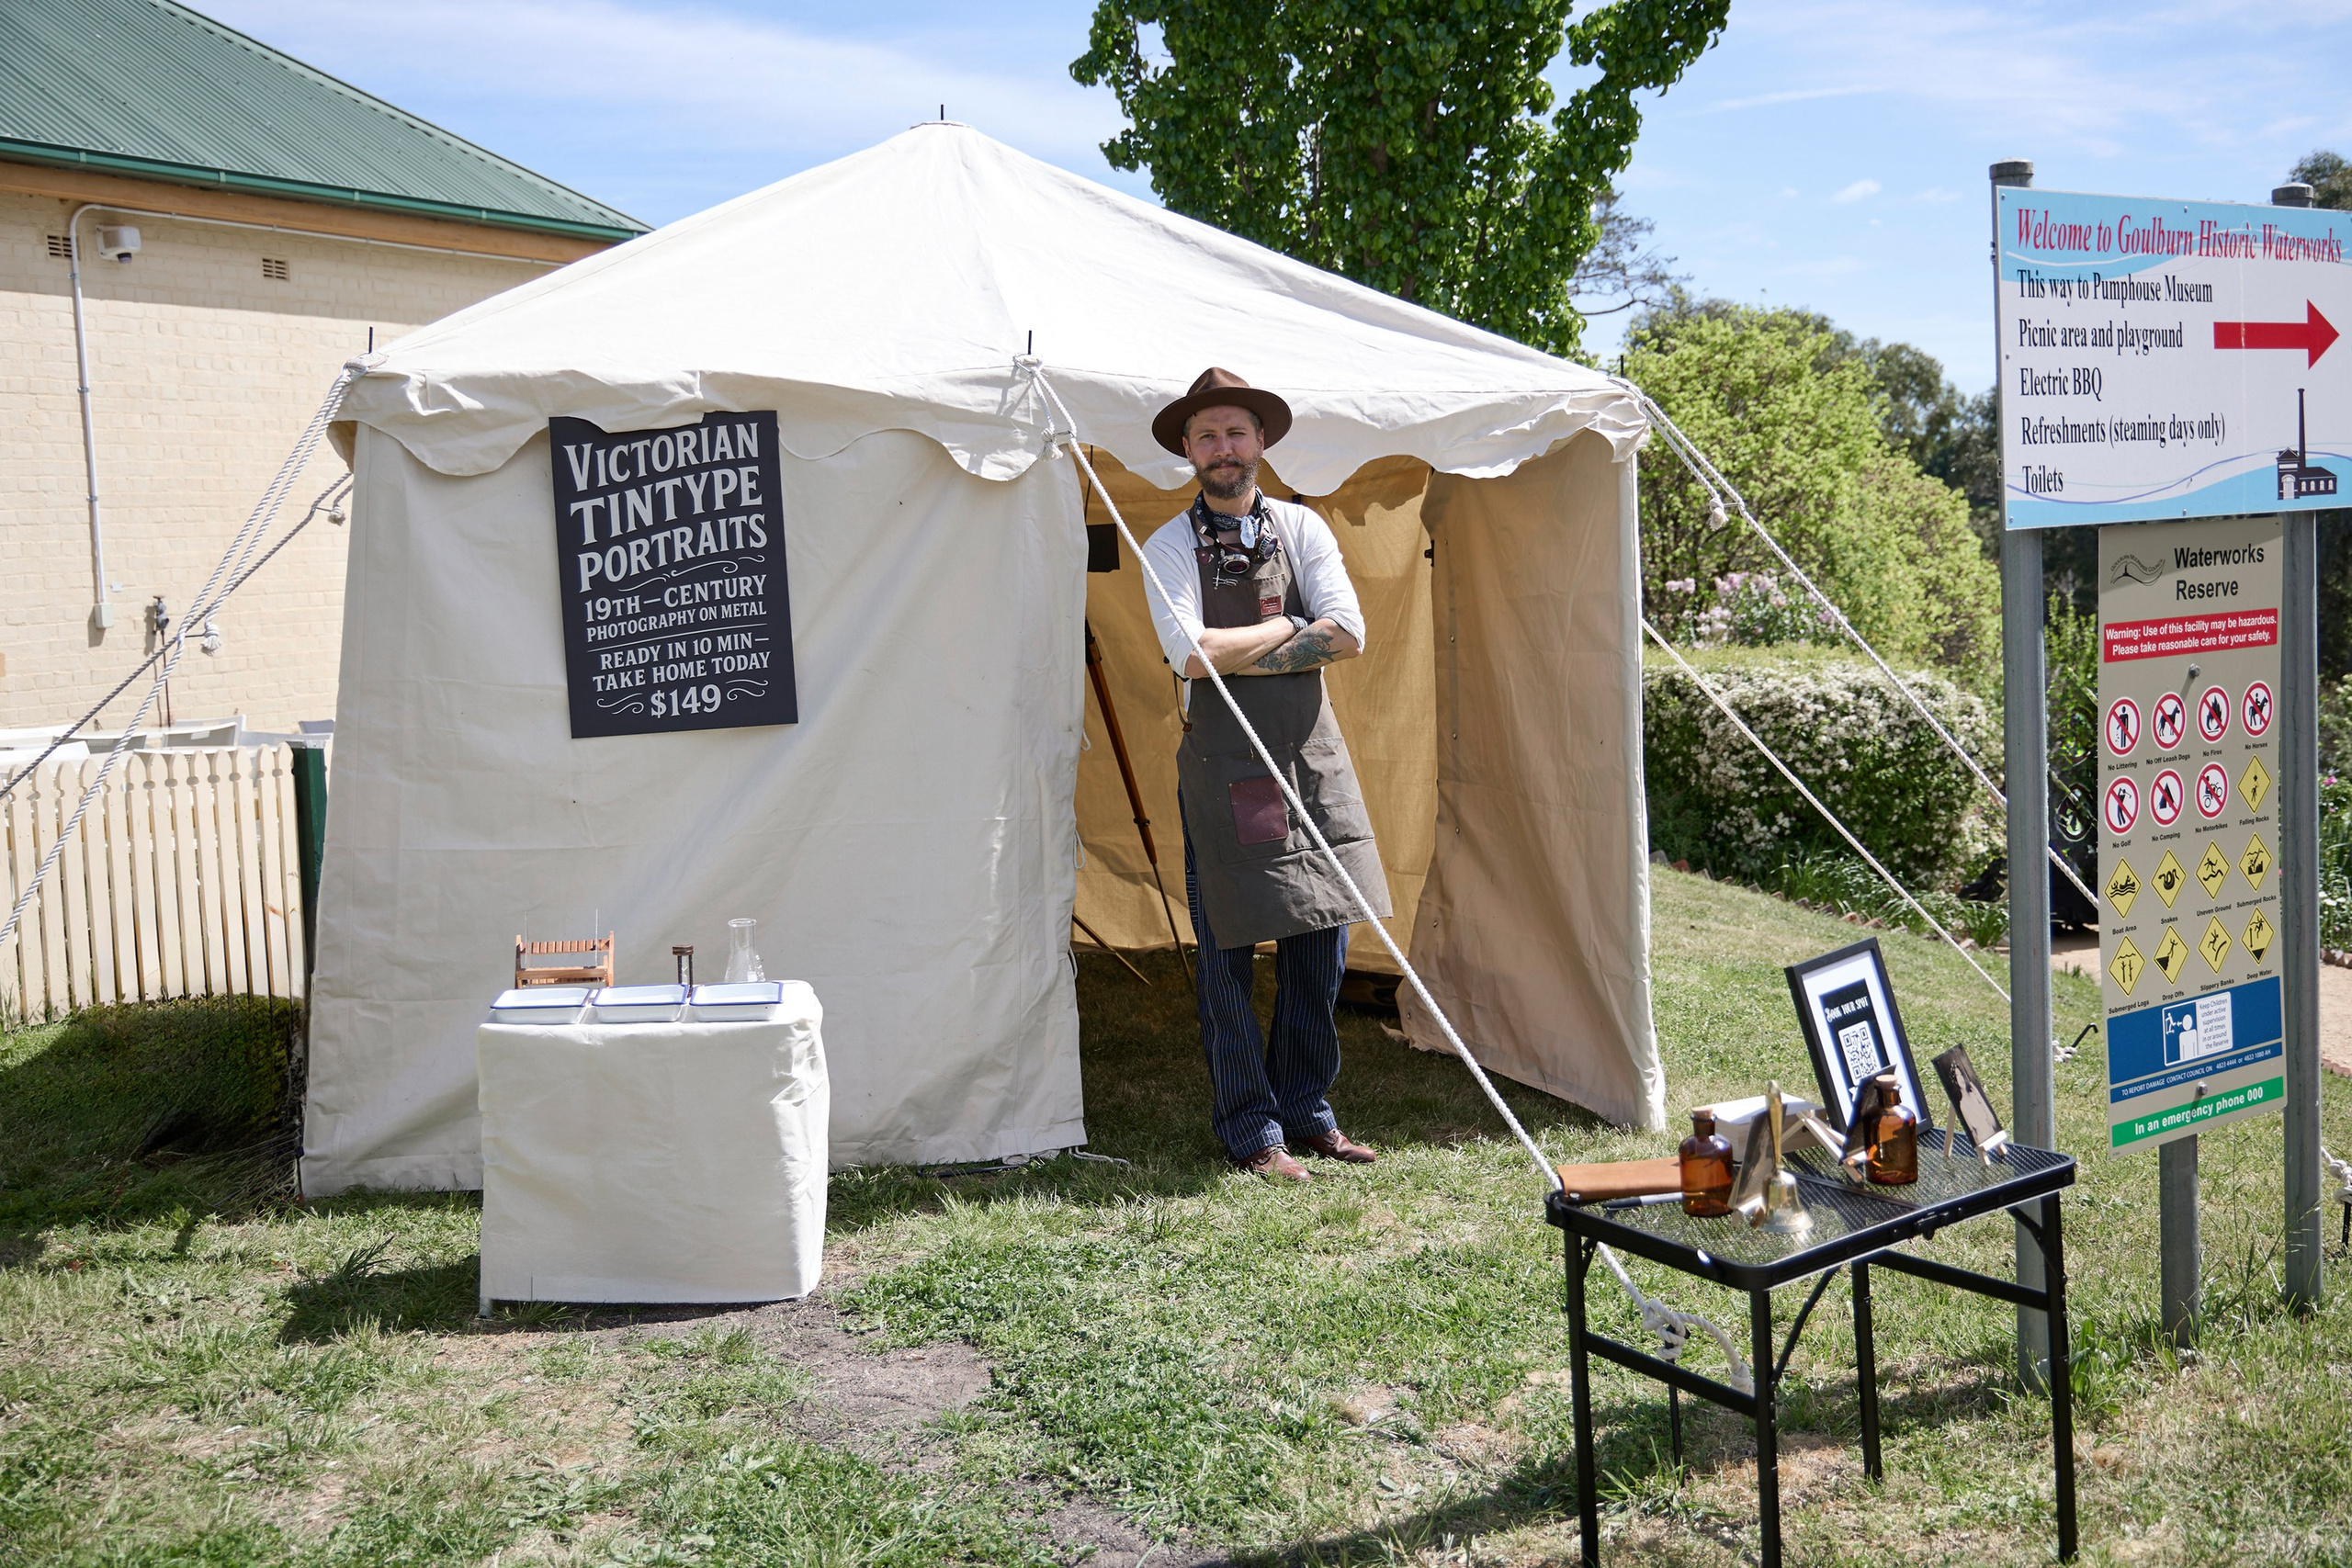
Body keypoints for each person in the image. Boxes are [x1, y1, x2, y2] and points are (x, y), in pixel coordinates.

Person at [1140, 367, 1390, 1182]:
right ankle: (1251, 1127)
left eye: (1236, 432)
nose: (1223, 448)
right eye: (1207, 435)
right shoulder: (1169, 545)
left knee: (1323, 937)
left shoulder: (1303, 529)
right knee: (1227, 948)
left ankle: (1307, 1111)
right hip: (1228, 772)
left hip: (1309, 763)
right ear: (1187, 449)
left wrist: (1238, 646)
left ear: (1260, 443)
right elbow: (1189, 654)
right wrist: (1289, 622)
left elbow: (1348, 632)